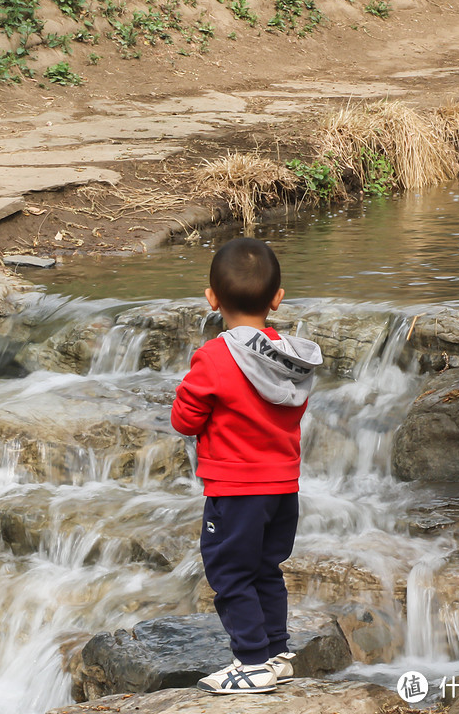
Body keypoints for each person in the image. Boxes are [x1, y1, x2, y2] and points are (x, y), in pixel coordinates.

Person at [170, 237, 322, 695]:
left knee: (230, 573)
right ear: (277, 300)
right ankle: (276, 652)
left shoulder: (215, 357)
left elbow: (184, 420)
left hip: (235, 491)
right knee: (265, 568)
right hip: (282, 488)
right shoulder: (292, 359)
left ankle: (252, 662)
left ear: (211, 299)